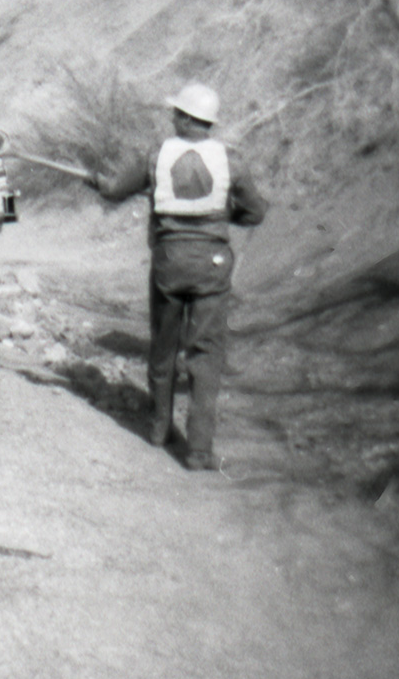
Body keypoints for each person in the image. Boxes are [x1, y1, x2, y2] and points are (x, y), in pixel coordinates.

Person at [89, 83, 268, 470]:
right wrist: (224, 214)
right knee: (205, 353)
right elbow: (255, 213)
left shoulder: (156, 156)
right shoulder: (230, 161)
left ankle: (158, 428)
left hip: (169, 261)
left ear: (188, 118)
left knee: (164, 344)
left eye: (176, 113)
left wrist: (98, 182)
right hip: (212, 265)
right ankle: (199, 449)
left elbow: (115, 190)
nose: (172, 118)